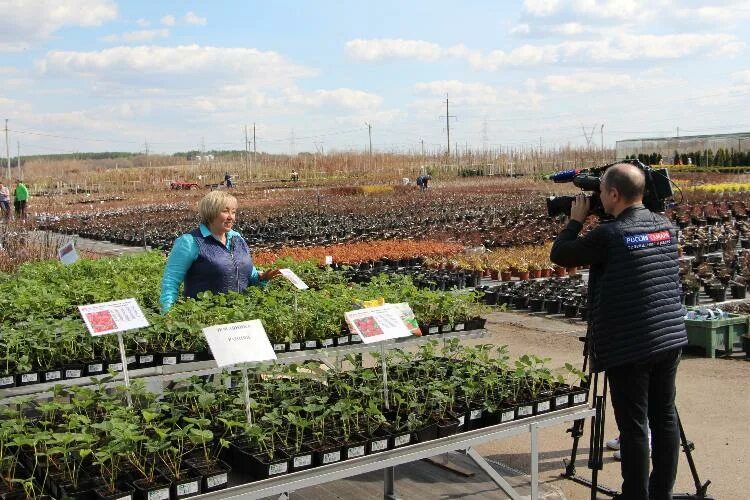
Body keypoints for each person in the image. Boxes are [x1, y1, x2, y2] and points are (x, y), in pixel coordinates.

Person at [549, 163, 687, 500]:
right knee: (664, 418)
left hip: (630, 345)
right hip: (669, 337)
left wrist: (576, 220)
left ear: (613, 194)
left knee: (635, 425)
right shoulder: (665, 227)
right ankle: (661, 494)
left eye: (599, 193)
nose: (597, 198)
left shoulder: (609, 235)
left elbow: (560, 254)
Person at [160, 191, 281, 313]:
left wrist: (261, 277)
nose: (231, 217)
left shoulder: (237, 238)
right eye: (225, 211)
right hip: (205, 318)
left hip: (241, 315)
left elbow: (249, 274)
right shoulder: (189, 242)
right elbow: (171, 282)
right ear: (211, 213)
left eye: (233, 212)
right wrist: (167, 315)